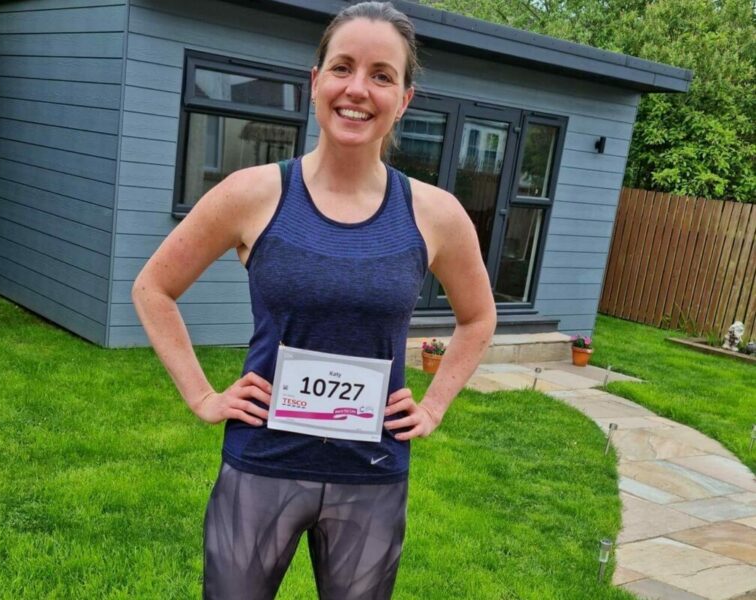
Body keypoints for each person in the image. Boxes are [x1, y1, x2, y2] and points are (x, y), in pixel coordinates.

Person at [131, 2, 497, 598]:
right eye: (342, 67)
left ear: (404, 99)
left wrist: (433, 407)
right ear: (315, 81)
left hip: (371, 475)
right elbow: (153, 288)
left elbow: (478, 318)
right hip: (262, 463)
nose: (358, 89)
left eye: (382, 75)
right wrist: (202, 396)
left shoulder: (435, 213)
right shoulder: (252, 194)